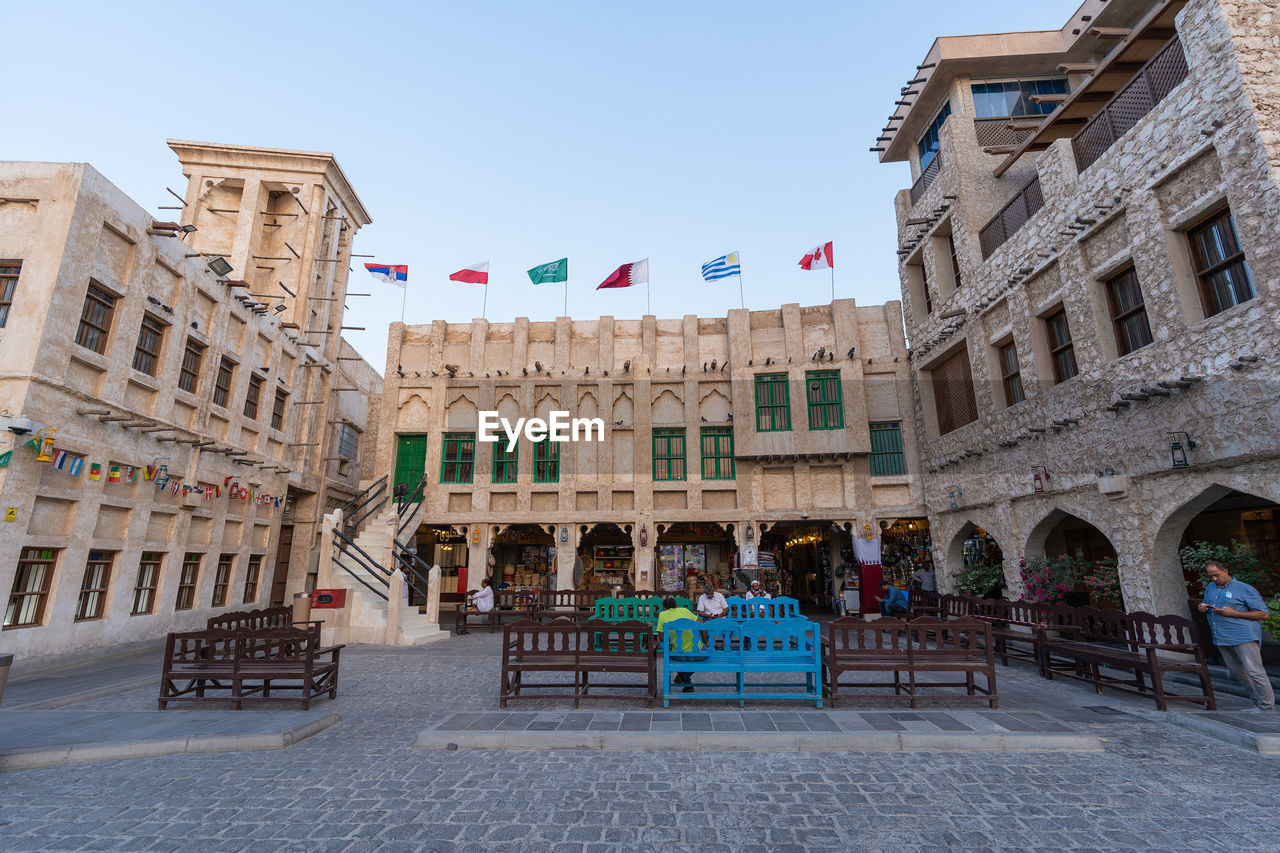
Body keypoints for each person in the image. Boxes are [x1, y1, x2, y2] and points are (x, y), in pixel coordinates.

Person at [1198, 560, 1274, 712]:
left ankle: (1266, 706)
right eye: (1210, 576)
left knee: (1254, 672)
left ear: (1225, 571)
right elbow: (1206, 603)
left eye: (1216, 575)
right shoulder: (1211, 588)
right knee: (1238, 673)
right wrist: (1201, 607)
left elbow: (1264, 614)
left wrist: (1234, 613)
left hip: (1243, 636)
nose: (1213, 579)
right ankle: (1257, 702)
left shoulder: (1244, 589)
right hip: (1222, 637)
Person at [656, 596, 701, 692]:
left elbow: (662, 638)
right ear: (676, 605)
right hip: (698, 653)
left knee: (674, 657)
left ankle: (685, 680)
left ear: (664, 608)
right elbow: (700, 623)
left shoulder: (662, 615)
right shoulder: (685, 611)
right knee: (705, 655)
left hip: (679, 655)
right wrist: (705, 641)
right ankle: (685, 681)